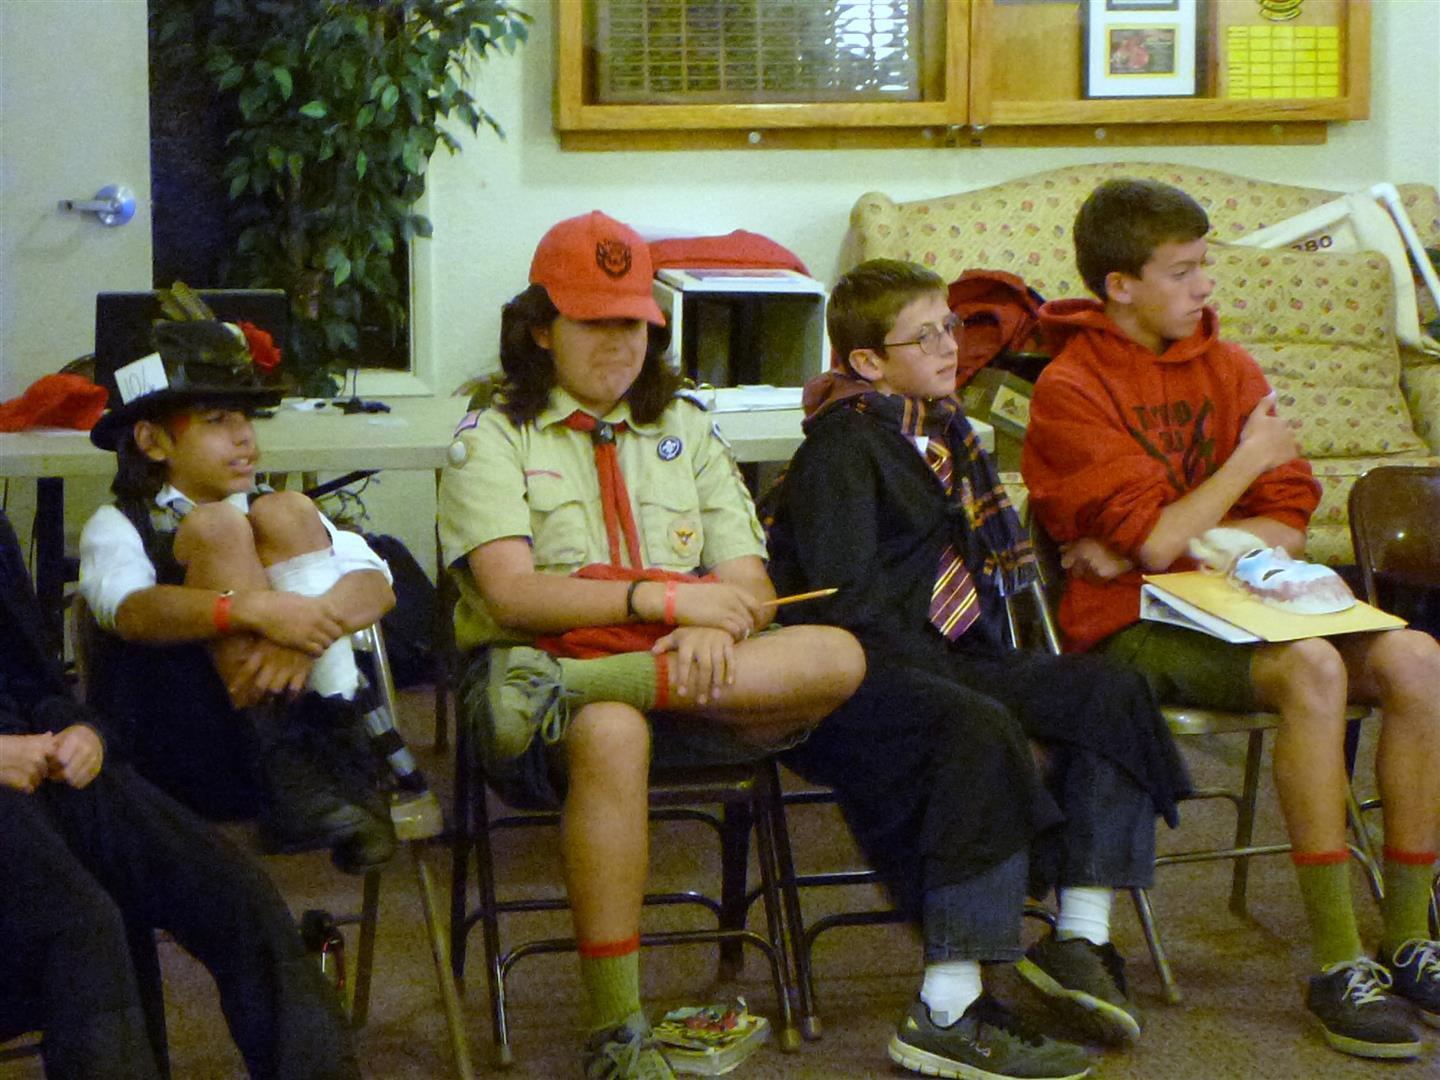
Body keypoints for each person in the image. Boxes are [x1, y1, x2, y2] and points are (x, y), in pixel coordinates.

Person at [437, 210, 865, 1079]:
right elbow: (513, 595)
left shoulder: (689, 427)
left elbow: (751, 588)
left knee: (840, 655)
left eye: (634, 323)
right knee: (610, 730)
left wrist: (710, 619)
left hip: (678, 676)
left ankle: (610, 683)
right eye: (595, 322)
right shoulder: (493, 436)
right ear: (540, 328)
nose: (620, 343)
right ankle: (617, 1030)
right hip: (535, 681)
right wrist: (668, 599)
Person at [1021, 177, 1440, 1060]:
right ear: (1119, 285)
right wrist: (1238, 467)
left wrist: (1181, 535)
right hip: (1131, 627)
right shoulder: (1071, 386)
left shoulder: (1232, 366)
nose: (1205, 286)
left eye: (1203, 266)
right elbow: (1152, 540)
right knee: (1313, 669)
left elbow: (1285, 517)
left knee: (1418, 659)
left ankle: (1408, 939)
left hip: (1246, 606)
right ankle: (1338, 964)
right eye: (1181, 272)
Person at [765, 258, 1190, 1080]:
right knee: (979, 729)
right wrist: (950, 662)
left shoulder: (946, 435)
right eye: (923, 336)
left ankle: (1078, 940)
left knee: (1108, 689)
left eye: (949, 327)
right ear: (866, 362)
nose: (948, 346)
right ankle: (947, 1009)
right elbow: (847, 608)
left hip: (956, 654)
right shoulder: (844, 450)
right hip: (864, 673)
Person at [0, 508, 359, 1080]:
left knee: (232, 890)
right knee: (87, 926)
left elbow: (31, 678)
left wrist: (83, 730)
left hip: (40, 759)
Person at [79, 318, 397, 872]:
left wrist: (299, 633)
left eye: (247, 417)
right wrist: (253, 608)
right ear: (152, 440)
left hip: (316, 756)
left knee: (287, 510)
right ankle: (289, 765)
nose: (245, 436)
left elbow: (375, 584)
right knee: (218, 528)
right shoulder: (117, 524)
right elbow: (130, 612)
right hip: (183, 748)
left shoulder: (277, 510)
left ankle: (326, 761)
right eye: (216, 420)